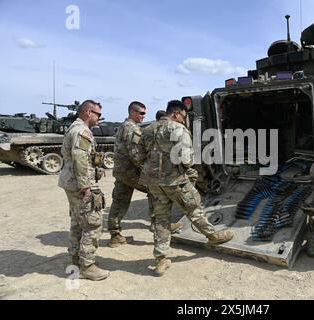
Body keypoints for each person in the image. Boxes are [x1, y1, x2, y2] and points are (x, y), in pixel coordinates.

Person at [138, 100, 234, 276]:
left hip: (154, 183)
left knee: (161, 219)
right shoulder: (178, 129)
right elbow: (186, 158)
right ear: (175, 113)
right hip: (175, 181)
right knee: (194, 210)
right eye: (183, 115)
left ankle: (161, 259)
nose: (183, 119)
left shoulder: (148, 130)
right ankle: (213, 237)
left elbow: (140, 156)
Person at [108, 102, 181, 247]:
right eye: (141, 113)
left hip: (121, 171)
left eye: (144, 114)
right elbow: (136, 155)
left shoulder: (124, 126)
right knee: (155, 191)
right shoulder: (132, 128)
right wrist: (150, 170)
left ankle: (115, 235)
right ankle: (157, 225)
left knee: (119, 201)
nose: (143, 116)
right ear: (132, 112)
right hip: (131, 172)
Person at [58, 100, 109, 281]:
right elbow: (80, 158)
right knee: (92, 223)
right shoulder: (83, 131)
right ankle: (87, 266)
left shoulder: (74, 127)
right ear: (88, 112)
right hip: (80, 185)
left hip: (71, 183)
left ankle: (74, 259)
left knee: (77, 221)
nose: (99, 118)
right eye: (98, 114)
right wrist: (85, 185)